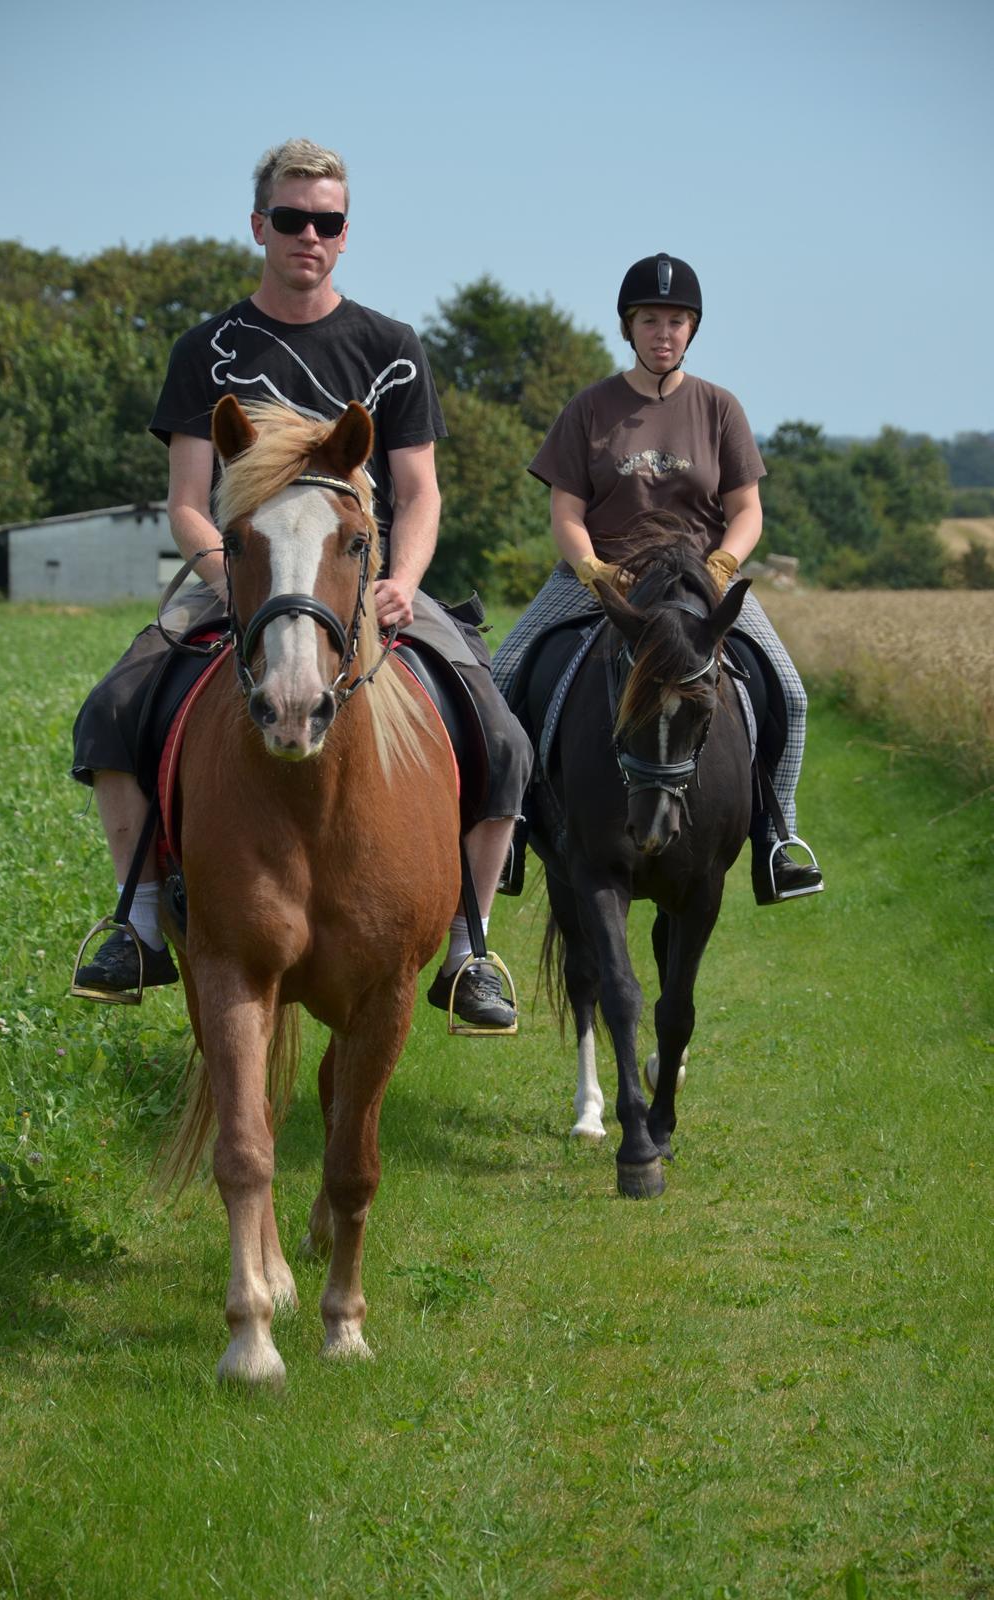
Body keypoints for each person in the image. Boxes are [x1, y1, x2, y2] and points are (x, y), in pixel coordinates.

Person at [72, 137, 531, 1026]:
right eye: (291, 219)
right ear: (259, 226)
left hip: (366, 580)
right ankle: (138, 922)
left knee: (503, 736)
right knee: (111, 710)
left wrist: (403, 580)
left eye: (327, 221)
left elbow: (419, 492)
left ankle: (470, 949)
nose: (308, 235)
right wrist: (231, 576)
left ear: (345, 234)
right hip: (242, 572)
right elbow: (188, 501)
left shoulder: (391, 348)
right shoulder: (207, 349)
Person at [493, 253, 822, 905]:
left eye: (676, 321)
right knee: (501, 680)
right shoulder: (589, 408)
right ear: (629, 326)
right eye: (650, 319)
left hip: (699, 583)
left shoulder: (719, 408)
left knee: (791, 691)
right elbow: (564, 509)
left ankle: (777, 836)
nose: (663, 332)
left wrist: (723, 563)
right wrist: (589, 567)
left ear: (691, 329)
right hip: (603, 578)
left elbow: (747, 510)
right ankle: (507, 831)